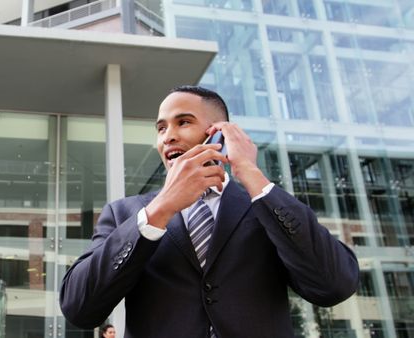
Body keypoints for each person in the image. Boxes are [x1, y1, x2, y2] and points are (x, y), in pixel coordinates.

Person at [59, 85, 359, 338]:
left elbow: (335, 285)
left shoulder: (266, 206)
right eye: (161, 128)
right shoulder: (127, 213)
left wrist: (250, 174)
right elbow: (79, 307)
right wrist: (161, 209)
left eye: (183, 122)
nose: (168, 137)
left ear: (218, 134)